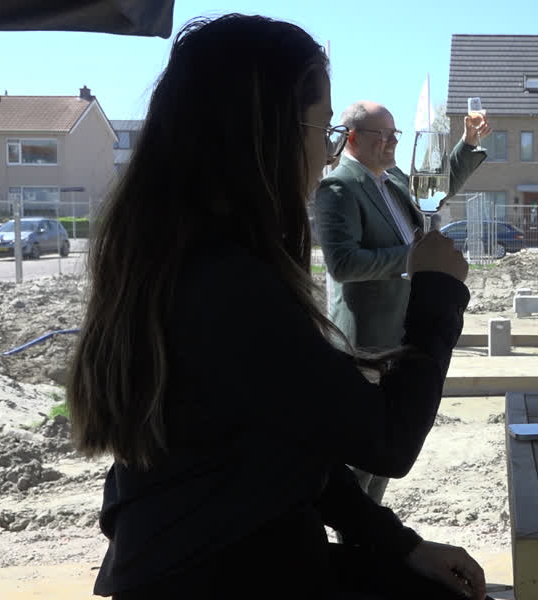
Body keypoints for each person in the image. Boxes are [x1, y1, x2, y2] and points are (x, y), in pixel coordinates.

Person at [66, 14, 487, 600]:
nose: (327, 154)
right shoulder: (227, 284)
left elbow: (291, 448)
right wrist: (436, 294)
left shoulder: (181, 258)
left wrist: (398, 544)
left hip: (200, 562)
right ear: (267, 133)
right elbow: (388, 440)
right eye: (323, 129)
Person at [315, 102, 488, 502]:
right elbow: (343, 263)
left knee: (389, 450)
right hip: (366, 344)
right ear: (352, 138)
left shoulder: (391, 178)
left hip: (401, 335)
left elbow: (436, 189)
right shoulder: (339, 187)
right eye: (383, 135)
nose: (393, 142)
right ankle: (353, 531)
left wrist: (467, 143)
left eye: (395, 134)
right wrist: (413, 258)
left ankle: (370, 526)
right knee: (360, 458)